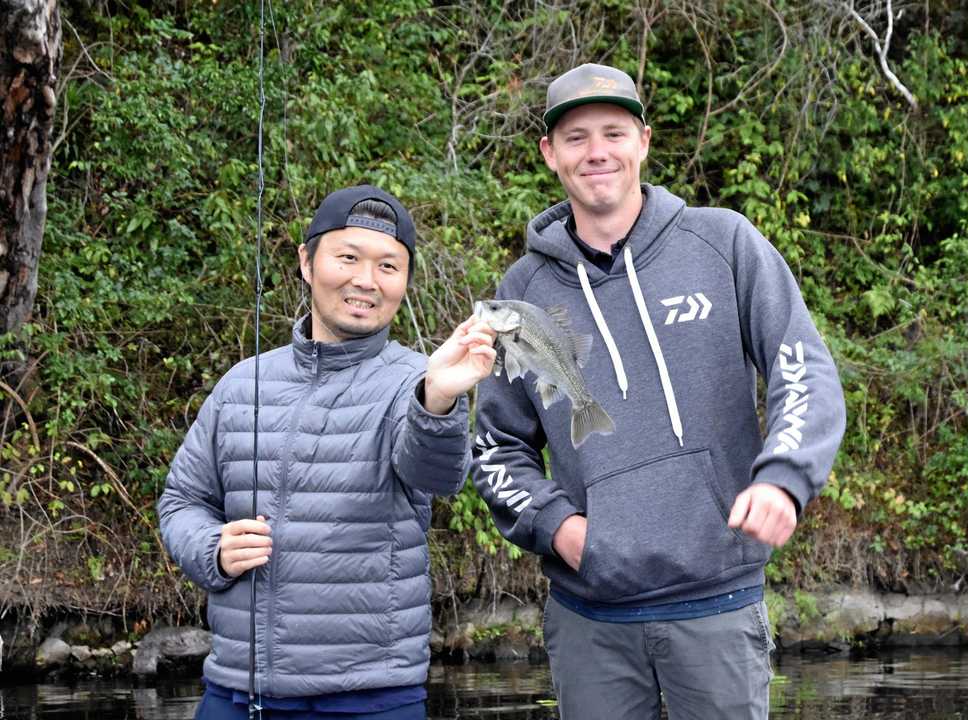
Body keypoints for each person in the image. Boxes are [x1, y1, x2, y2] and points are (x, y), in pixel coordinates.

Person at [471, 63, 846, 719]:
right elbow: (497, 446)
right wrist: (559, 529)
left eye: (613, 132)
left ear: (643, 141)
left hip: (718, 601)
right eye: (577, 136)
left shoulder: (723, 242)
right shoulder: (521, 295)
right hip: (590, 617)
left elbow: (801, 366)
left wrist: (784, 476)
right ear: (549, 154)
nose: (597, 152)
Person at [158, 185, 496, 719]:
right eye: (348, 257)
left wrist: (439, 397)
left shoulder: (417, 378)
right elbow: (181, 500)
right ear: (307, 262)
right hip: (236, 691)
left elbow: (436, 476)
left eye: (389, 266)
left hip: (373, 696)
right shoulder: (241, 383)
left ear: (405, 282)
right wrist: (211, 549)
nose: (366, 280)